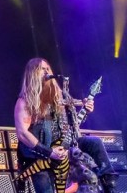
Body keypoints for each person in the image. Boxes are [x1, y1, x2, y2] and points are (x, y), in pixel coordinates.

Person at [14, 57, 117, 193]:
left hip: (62, 148)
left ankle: (110, 185)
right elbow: (22, 133)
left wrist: (85, 110)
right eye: (41, 69)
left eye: (48, 68)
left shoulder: (59, 99)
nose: (46, 71)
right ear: (32, 74)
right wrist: (50, 152)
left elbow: (71, 125)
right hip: (39, 156)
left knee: (94, 142)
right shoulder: (25, 101)